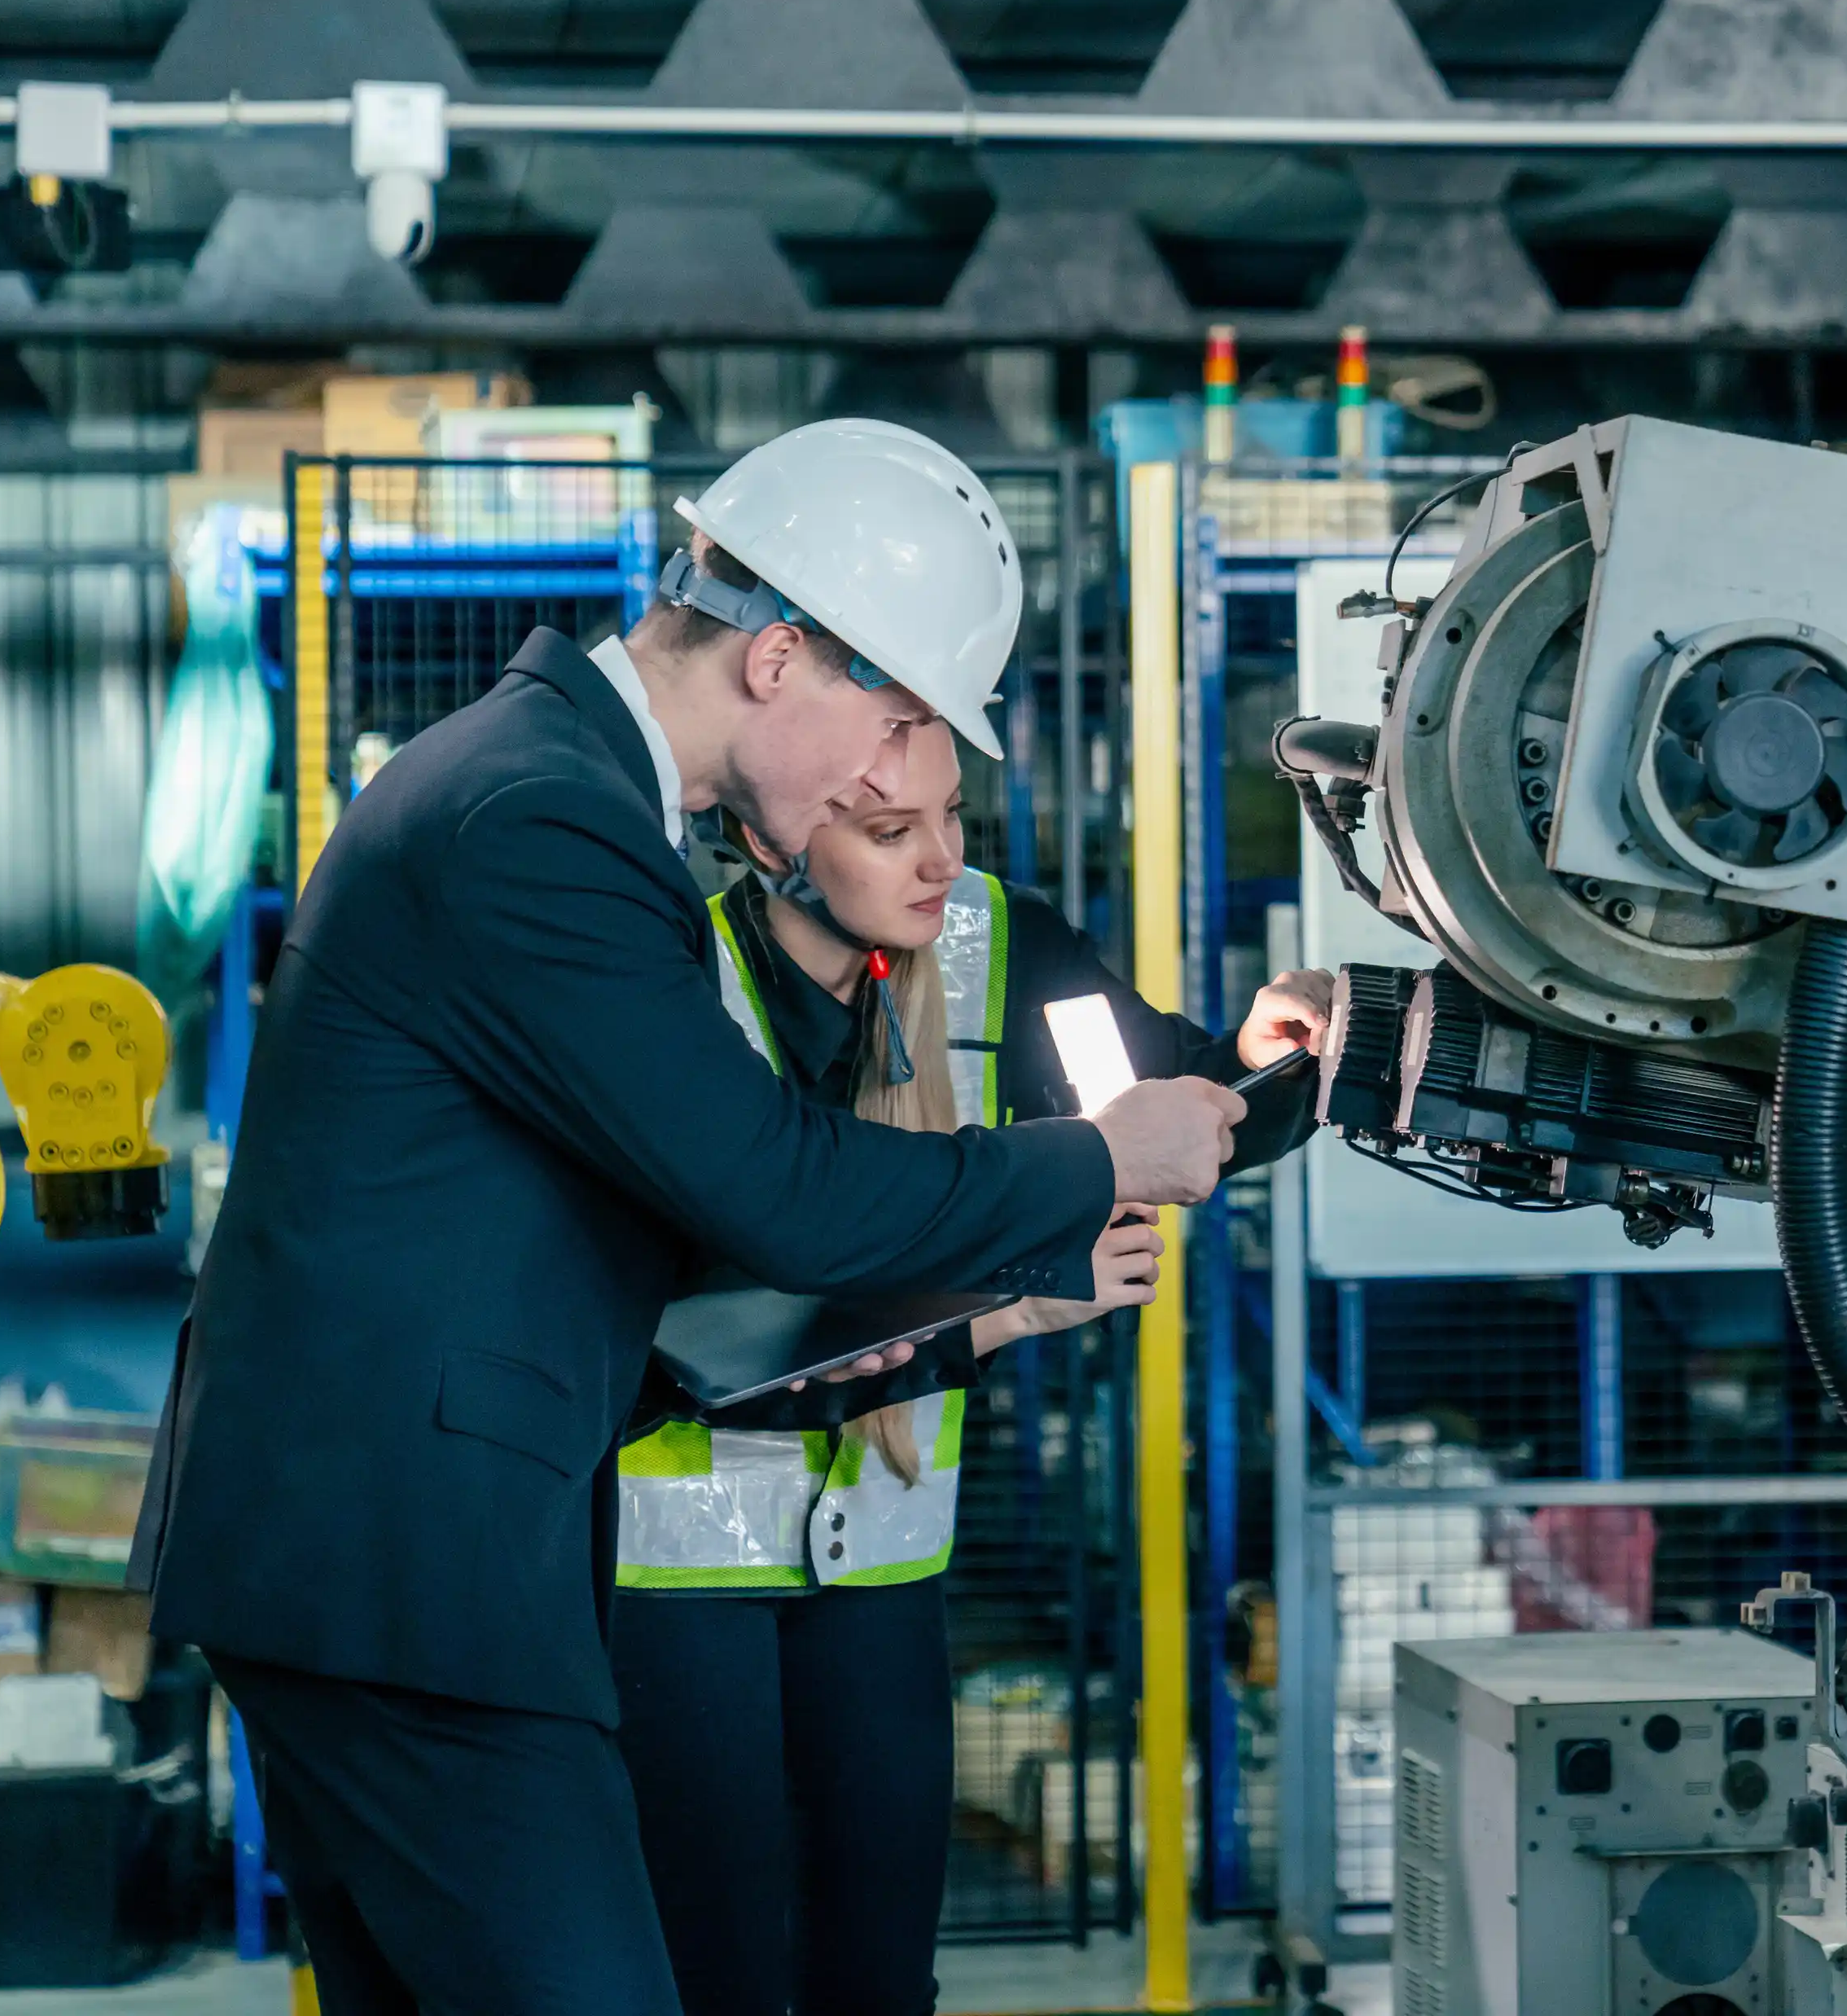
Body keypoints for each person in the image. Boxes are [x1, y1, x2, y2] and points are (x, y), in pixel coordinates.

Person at [129, 419, 1250, 2016]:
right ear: (780, 656)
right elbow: (777, 1186)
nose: (895, 781)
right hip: (408, 1571)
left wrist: (1011, 1269)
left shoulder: (546, 786)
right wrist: (1096, 1157)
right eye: (895, 720)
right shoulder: (542, 818)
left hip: (376, 1553)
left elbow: (667, 1244)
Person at [610, 717, 1331, 2016]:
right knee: (713, 1978)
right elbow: (702, 1328)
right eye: (892, 833)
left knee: (880, 1981)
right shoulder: (672, 981)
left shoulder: (1004, 946)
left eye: (954, 818)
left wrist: (1272, 1059)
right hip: (674, 1589)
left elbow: (1171, 1106)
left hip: (881, 1573)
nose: (942, 860)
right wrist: (1002, 1314)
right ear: (776, 835)